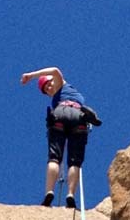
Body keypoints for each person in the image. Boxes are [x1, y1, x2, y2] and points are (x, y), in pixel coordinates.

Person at [20, 67, 101, 208]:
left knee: (55, 158)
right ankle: (69, 193)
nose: (49, 88)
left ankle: (51, 192)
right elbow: (55, 72)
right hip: (78, 117)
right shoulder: (63, 93)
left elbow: (55, 71)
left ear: (54, 80)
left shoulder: (61, 86)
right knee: (73, 161)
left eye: (49, 83)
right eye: (46, 89)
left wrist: (31, 76)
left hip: (60, 116)